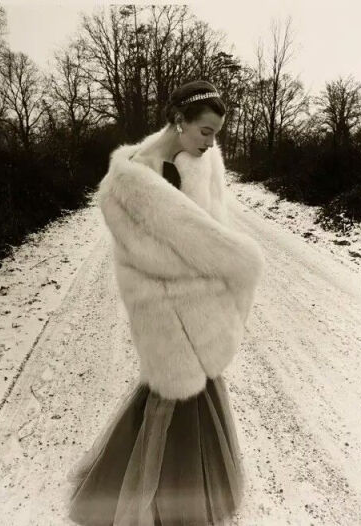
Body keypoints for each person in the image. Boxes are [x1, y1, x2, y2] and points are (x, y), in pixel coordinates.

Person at [65, 80, 265, 525]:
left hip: (202, 303)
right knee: (170, 397)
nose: (212, 143)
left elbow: (217, 227)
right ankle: (145, 503)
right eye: (206, 131)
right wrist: (228, 264)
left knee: (198, 396)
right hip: (160, 303)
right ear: (180, 121)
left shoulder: (205, 161)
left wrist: (220, 275)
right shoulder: (131, 180)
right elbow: (148, 256)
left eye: (216, 133)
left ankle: (190, 496)